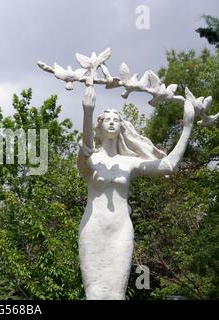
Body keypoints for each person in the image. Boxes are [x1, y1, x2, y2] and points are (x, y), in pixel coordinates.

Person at [77, 85, 195, 300]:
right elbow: (85, 149)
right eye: (107, 119)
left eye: (116, 119)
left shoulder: (128, 162)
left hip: (121, 230)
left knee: (116, 294)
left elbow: (168, 165)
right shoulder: (91, 160)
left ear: (122, 126)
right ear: (99, 126)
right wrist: (88, 111)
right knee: (94, 293)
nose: (112, 122)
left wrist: (187, 126)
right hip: (93, 229)